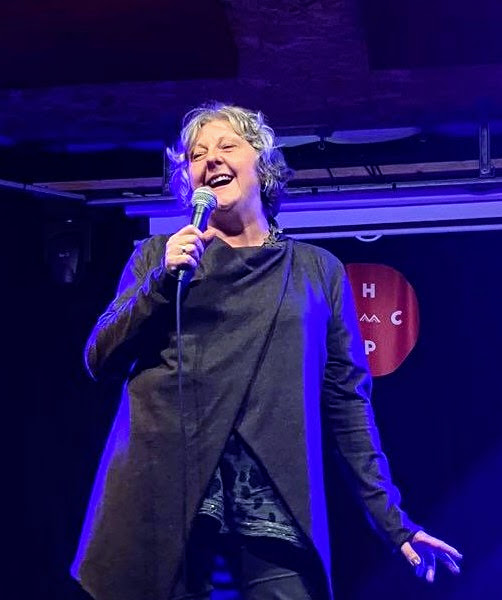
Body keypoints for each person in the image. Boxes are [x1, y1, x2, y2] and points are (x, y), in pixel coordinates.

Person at [71, 103, 462, 600]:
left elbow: (347, 404)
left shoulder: (316, 271)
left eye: (227, 146)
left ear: (264, 165)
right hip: (165, 498)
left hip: (272, 501)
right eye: (196, 155)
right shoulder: (157, 258)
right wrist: (159, 282)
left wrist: (393, 521)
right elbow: (99, 357)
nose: (210, 159)